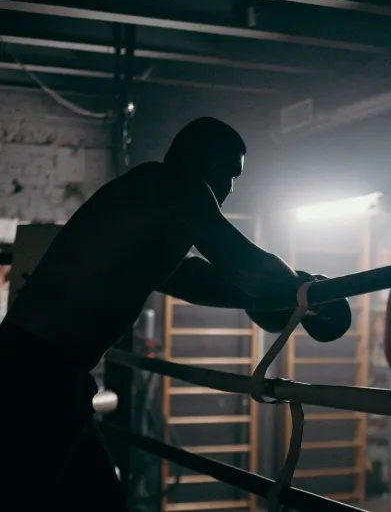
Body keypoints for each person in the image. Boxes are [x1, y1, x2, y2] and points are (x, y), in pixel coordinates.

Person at [0, 117, 323, 510]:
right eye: (228, 172)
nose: (230, 188)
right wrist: (305, 289)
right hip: (35, 376)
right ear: (200, 159)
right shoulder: (176, 187)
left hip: (48, 375)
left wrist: (282, 296)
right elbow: (244, 266)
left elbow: (193, 279)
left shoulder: (151, 204)